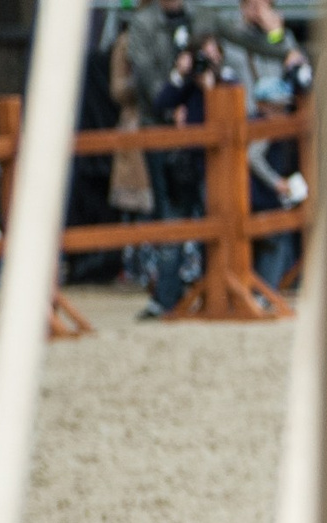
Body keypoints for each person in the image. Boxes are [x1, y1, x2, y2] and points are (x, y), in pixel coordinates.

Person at [122, 0, 218, 317]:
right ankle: (167, 297)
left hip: (204, 129)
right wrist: (173, 98)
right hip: (162, 133)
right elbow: (147, 77)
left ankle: (213, 290)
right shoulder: (142, 23)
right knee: (170, 216)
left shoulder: (203, 17)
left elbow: (226, 56)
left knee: (212, 210)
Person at [245, 75, 305, 291]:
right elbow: (253, 157)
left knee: (276, 240)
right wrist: (276, 182)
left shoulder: (257, 122)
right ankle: (265, 291)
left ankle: (266, 290)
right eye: (276, 108)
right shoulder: (264, 126)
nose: (281, 113)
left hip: (259, 197)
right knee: (278, 238)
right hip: (259, 198)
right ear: (263, 106)